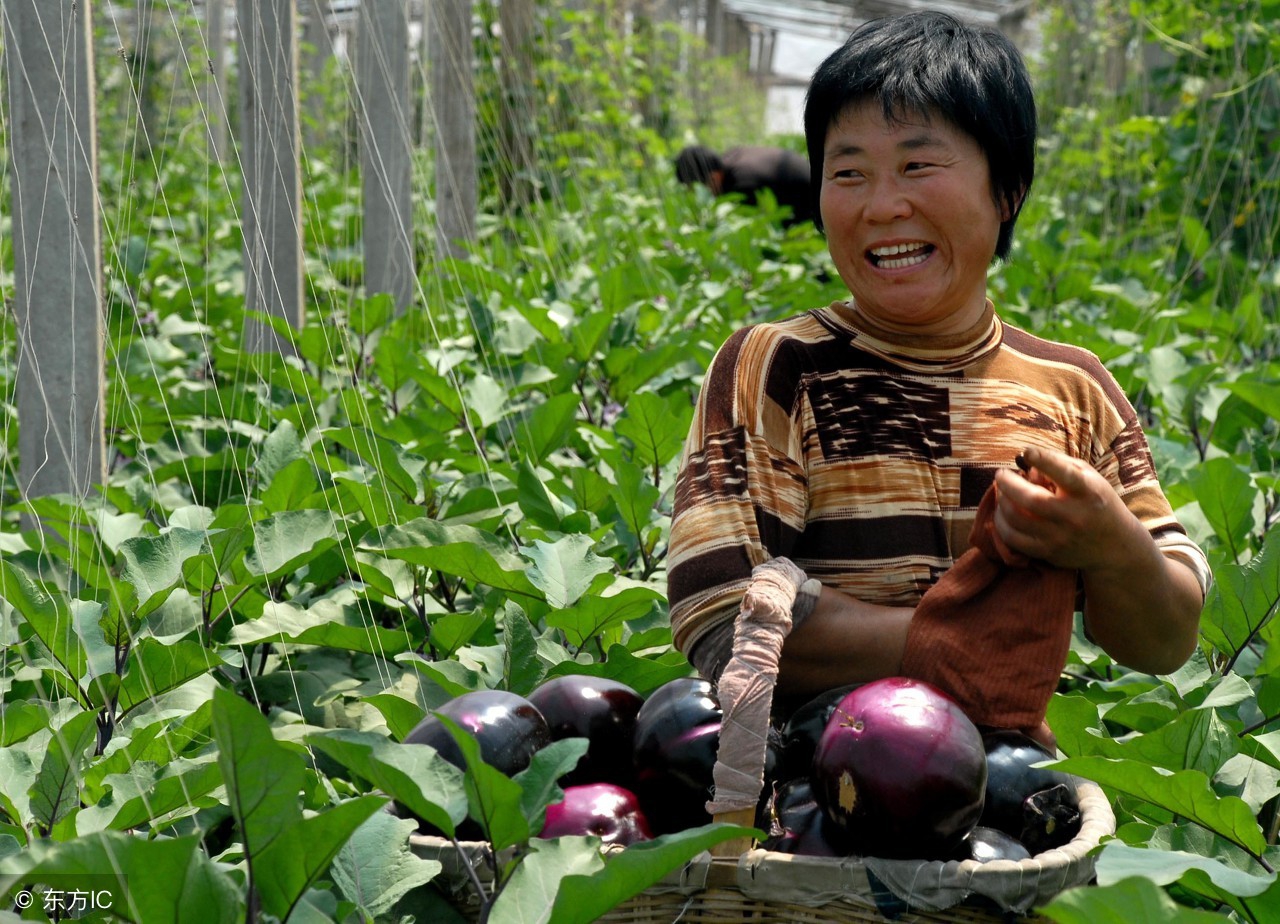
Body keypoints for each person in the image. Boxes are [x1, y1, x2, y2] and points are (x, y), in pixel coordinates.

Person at [666, 12, 1209, 740]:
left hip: (1011, 813)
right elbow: (718, 611)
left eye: (919, 166)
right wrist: (950, 646)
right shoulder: (777, 368)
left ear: (1007, 189)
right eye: (848, 171)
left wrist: (1110, 544)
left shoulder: (1074, 389)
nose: (881, 205)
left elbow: (1166, 640)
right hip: (807, 795)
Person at [675, 144, 816, 226]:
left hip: (812, 202)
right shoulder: (731, 158)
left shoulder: (743, 184)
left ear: (713, 178)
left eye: (696, 190)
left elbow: (754, 229)